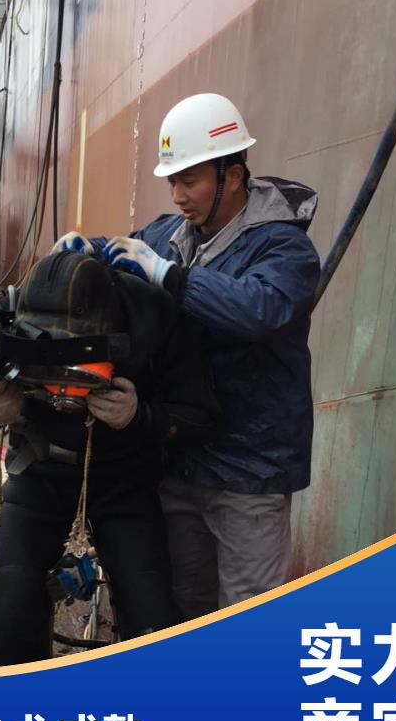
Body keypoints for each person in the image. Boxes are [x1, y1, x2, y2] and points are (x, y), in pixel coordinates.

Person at [91, 92, 321, 619]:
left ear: (232, 175)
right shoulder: (170, 236)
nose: (177, 196)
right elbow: (123, 251)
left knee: (246, 615)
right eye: (172, 181)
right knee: (187, 610)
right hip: (182, 460)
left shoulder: (284, 248)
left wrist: (170, 277)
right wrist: (84, 251)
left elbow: (261, 309)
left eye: (189, 180)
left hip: (249, 474)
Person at [0, 248, 221, 665]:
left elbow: (202, 417)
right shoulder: (10, 316)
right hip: (38, 472)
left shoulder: (152, 316)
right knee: (12, 611)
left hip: (125, 480)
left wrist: (140, 416)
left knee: (151, 619)